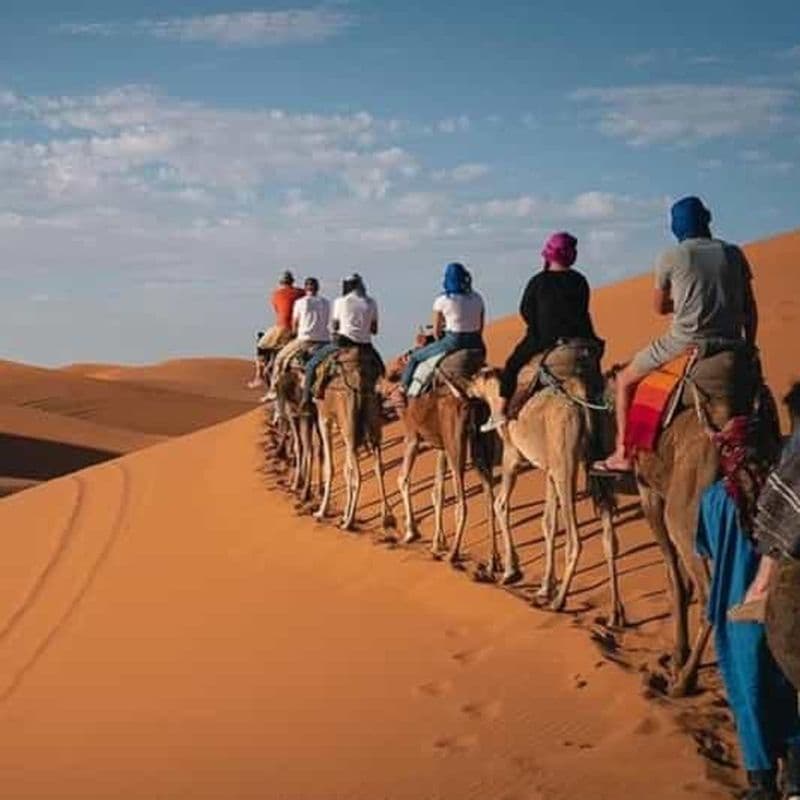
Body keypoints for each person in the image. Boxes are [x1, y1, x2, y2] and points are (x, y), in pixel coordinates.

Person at [596, 196, 758, 472]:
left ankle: (623, 452)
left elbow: (659, 307)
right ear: (706, 220)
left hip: (684, 342)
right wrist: (748, 345)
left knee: (624, 381)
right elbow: (749, 308)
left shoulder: (671, 257)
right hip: (732, 343)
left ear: (676, 228)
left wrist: (683, 304)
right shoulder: (733, 253)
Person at [696, 478, 800, 800]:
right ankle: (795, 776)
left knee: (747, 692)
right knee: (786, 685)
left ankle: (762, 782)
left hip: (740, 605)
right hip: (785, 606)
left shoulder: (715, 498)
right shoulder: (788, 491)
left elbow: (706, 548)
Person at [481, 232, 601, 431]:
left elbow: (525, 310)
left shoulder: (538, 282)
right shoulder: (580, 280)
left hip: (546, 339)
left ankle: (500, 413)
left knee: (512, 365)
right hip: (582, 339)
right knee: (594, 369)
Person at [395, 262, 485, 401]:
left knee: (415, 357)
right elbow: (480, 328)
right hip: (477, 344)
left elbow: (436, 332)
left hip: (453, 341)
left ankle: (401, 391)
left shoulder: (442, 300)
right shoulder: (478, 298)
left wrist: (440, 340)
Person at [302, 273, 382, 405]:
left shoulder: (340, 301)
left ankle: (306, 399)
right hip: (366, 346)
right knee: (381, 370)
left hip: (343, 344)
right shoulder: (371, 302)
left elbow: (335, 326)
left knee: (311, 364)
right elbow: (374, 330)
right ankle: (379, 399)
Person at [261, 277, 330, 402]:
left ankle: (272, 391)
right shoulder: (326, 302)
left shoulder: (301, 302)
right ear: (317, 288)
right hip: (325, 341)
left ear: (306, 288)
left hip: (305, 340)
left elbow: (295, 323)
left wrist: (293, 333)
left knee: (280, 359)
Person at [247, 270, 304, 389]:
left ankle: (259, 376)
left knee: (261, 344)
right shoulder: (301, 292)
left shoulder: (276, 294)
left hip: (284, 327)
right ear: (292, 282)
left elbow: (279, 312)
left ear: (281, 282)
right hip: (302, 328)